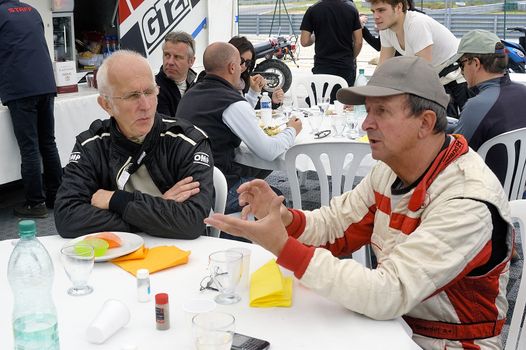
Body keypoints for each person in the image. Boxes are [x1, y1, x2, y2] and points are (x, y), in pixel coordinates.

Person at [205, 56, 513, 349]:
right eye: (367, 111)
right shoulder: (391, 168)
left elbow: (388, 292)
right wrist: (284, 218)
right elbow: (336, 227)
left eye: (382, 111)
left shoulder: (465, 200)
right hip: (391, 328)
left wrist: (284, 247)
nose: (366, 123)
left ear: (425, 122)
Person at [54, 50, 214, 239]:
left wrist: (118, 201)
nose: (145, 105)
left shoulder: (187, 142)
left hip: (182, 256)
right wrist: (157, 209)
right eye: (132, 96)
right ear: (106, 105)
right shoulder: (91, 144)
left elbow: (193, 221)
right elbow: (67, 217)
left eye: (149, 92)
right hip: (114, 261)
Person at [176, 42, 302, 214]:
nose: (244, 68)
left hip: (184, 183)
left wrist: (253, 94)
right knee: (276, 200)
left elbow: (236, 118)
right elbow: (269, 151)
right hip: (213, 191)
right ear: (232, 67)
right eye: (241, 64)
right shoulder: (229, 101)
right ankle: (252, 238)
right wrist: (291, 130)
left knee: (255, 175)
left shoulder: (192, 93)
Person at [0, 0, 63, 218]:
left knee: (29, 148)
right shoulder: (31, 10)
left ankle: (35, 203)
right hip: (45, 84)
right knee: (48, 142)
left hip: (20, 89)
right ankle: (57, 197)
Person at [369, 0, 470, 118]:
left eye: (381, 10)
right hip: (436, 77)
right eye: (373, 11)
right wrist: (364, 96)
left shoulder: (416, 23)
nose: (376, 16)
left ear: (399, 7)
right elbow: (383, 66)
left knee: (456, 128)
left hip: (455, 78)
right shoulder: (386, 29)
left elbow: (423, 71)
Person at [452, 29, 526, 185]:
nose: (461, 71)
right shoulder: (523, 92)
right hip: (519, 191)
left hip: (485, 194)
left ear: (476, 63)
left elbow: (453, 156)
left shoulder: (477, 105)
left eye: (461, 64)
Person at [300, 0, 363, 90]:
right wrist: (351, 58)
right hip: (345, 66)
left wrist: (315, 37)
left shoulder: (313, 10)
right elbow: (359, 42)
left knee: (321, 100)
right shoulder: (351, 10)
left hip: (323, 66)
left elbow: (304, 41)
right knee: (344, 101)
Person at [228, 36, 284, 109]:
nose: (243, 66)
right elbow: (242, 113)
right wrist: (253, 93)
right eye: (241, 60)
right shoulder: (221, 86)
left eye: (248, 62)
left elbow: (251, 106)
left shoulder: (242, 82)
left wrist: (273, 101)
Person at [155, 31, 196, 117]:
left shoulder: (196, 88)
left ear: (191, 61)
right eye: (167, 55)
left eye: (177, 57)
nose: (170, 62)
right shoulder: (154, 89)